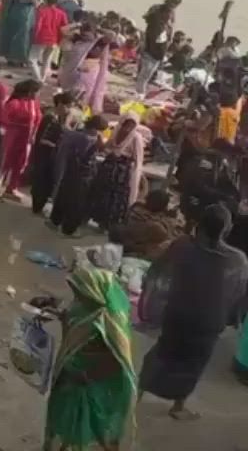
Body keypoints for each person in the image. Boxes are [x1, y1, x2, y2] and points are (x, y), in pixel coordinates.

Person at [139, 203, 248, 420]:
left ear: (200, 225)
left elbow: (158, 270)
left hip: (178, 314)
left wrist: (147, 298)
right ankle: (178, 406)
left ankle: (136, 395)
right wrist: (231, 317)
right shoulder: (237, 260)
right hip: (209, 322)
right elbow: (239, 294)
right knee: (194, 364)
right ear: (226, 229)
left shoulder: (182, 246)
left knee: (162, 354)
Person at [40, 265, 137, 451]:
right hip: (71, 372)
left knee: (95, 422)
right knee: (66, 416)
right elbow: (73, 323)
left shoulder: (110, 321)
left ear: (93, 292)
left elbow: (117, 361)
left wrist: (86, 377)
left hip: (93, 381)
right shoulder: (84, 307)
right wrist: (60, 315)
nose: (76, 296)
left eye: (79, 291)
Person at [49, 116, 109, 237]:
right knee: (76, 202)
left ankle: (55, 221)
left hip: (70, 171)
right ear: (94, 128)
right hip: (82, 174)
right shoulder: (87, 139)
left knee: (64, 196)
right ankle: (69, 229)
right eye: (99, 130)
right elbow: (88, 156)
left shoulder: (76, 134)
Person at [88, 115, 147, 233]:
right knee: (103, 195)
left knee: (116, 199)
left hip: (121, 173)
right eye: (126, 125)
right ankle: (101, 222)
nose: (128, 129)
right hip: (109, 168)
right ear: (122, 124)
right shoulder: (115, 132)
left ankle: (110, 224)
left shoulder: (136, 138)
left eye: (131, 126)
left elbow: (137, 159)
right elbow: (106, 147)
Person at [0, 79, 43, 199]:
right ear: (30, 91)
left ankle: (11, 187)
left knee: (21, 163)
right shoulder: (15, 103)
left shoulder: (34, 104)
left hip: (27, 138)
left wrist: (33, 134)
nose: (38, 94)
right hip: (14, 135)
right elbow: (5, 118)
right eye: (36, 91)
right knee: (7, 160)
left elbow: (38, 120)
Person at [29, 92, 74, 216]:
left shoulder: (59, 117)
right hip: (45, 154)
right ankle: (37, 206)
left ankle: (40, 205)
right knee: (41, 180)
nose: (69, 109)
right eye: (68, 106)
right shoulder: (51, 118)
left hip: (52, 155)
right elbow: (43, 139)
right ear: (60, 104)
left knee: (48, 180)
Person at [113, 190, 182, 261]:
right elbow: (167, 236)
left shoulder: (136, 207)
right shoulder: (155, 226)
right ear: (164, 207)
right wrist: (171, 219)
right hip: (138, 252)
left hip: (126, 241)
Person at [30, 0, 69, 83]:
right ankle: (42, 79)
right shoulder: (62, 13)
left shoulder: (42, 11)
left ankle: (38, 79)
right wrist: (60, 40)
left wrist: (34, 37)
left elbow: (38, 25)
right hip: (54, 40)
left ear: (46, 0)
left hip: (41, 38)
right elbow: (65, 28)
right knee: (46, 61)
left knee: (32, 59)